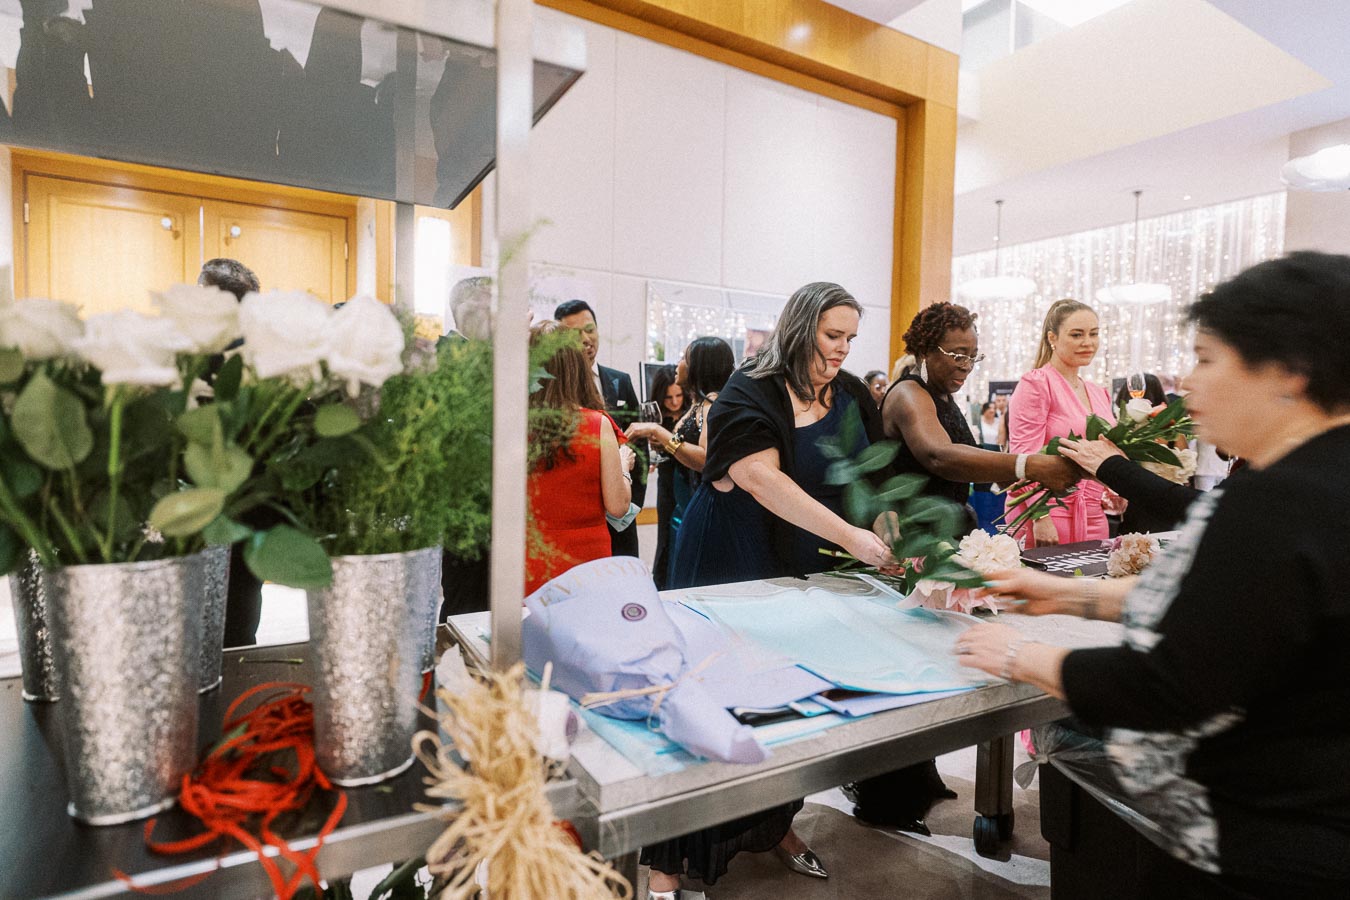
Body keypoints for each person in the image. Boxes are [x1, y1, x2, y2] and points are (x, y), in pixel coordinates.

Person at [956, 251, 1350, 897]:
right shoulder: (1316, 483)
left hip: (1271, 844)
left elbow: (1169, 685)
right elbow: (1242, 610)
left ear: (1288, 372)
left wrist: (1023, 656)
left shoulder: (1279, 501)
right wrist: (1065, 591)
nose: (1187, 384)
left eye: (1205, 358)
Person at [649, 284, 895, 897]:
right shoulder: (748, 388)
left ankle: (775, 822)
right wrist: (855, 539)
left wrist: (889, 529)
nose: (841, 350)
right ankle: (670, 861)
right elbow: (761, 477)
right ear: (800, 328)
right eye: (831, 336)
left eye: (850, 340)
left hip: (801, 557)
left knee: (785, 697)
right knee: (712, 695)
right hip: (730, 556)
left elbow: (864, 477)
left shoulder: (848, 395)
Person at [850, 302, 1078, 835]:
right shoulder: (907, 393)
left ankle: (917, 778)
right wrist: (1027, 466)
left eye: (974, 355)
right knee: (904, 671)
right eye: (956, 353)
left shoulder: (942, 395)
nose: (966, 364)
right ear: (924, 349)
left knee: (933, 668)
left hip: (940, 542)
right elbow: (939, 457)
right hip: (907, 548)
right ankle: (884, 794)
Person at [525, 321, 634, 595]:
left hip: (529, 556)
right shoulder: (597, 424)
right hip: (587, 563)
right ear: (577, 367)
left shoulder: (512, 425)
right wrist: (624, 467)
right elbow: (618, 506)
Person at [1006, 299, 1118, 547]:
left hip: (1094, 514)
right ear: (1052, 338)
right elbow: (1023, 455)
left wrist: (1115, 489)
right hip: (1047, 513)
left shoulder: (1099, 392)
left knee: (1090, 582)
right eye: (1076, 335)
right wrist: (1040, 515)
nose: (1088, 342)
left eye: (1094, 334)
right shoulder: (1037, 383)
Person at [625, 338, 735, 588]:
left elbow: (707, 460)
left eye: (684, 357)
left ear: (699, 366)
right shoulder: (699, 402)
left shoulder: (713, 404)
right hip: (681, 499)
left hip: (696, 501)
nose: (678, 363)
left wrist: (659, 432)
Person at [198, 258, 263, 647]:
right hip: (189, 516)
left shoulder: (262, 359)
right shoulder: (178, 357)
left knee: (238, 629)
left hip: (245, 516)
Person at [554, 299, 646, 558]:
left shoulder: (620, 381)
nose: (586, 339)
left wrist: (629, 505)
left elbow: (637, 447)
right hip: (576, 520)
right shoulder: (555, 391)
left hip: (622, 516)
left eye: (590, 329)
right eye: (574, 334)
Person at [640, 364, 686, 590]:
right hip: (667, 481)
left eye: (679, 395)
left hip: (688, 481)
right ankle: (660, 587)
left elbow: (682, 448)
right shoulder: (658, 418)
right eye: (669, 397)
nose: (675, 402)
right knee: (665, 537)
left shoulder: (691, 415)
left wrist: (667, 442)